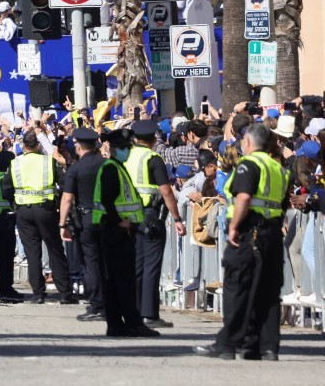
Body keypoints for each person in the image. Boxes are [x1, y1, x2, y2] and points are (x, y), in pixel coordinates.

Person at [194, 123, 290, 360]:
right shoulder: (278, 168)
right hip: (272, 233)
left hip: (250, 232)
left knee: (237, 287)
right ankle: (264, 347)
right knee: (267, 292)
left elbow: (244, 197)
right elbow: (283, 203)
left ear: (248, 143)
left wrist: (235, 226)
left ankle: (227, 343)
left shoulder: (249, 164)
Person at [93, 129, 156, 337]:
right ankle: (131, 323)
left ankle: (117, 324)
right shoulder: (111, 168)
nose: (126, 152)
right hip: (115, 232)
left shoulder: (117, 167)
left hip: (115, 230)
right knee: (123, 281)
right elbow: (107, 200)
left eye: (128, 148)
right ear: (112, 149)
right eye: (122, 148)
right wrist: (120, 222)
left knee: (116, 281)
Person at [125, 119, 185, 328]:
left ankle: (133, 311)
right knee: (151, 265)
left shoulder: (125, 157)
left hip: (129, 217)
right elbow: (166, 191)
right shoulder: (153, 158)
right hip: (150, 216)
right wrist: (177, 218)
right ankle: (149, 314)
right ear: (153, 139)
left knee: (136, 265)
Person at [6, 132, 77, 304]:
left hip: (24, 211)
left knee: (32, 253)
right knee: (55, 250)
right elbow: (65, 182)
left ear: (23, 146)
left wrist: (15, 204)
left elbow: (6, 188)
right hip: (46, 210)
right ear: (37, 145)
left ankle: (38, 294)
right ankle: (65, 293)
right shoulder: (48, 161)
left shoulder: (15, 163)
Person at [59, 128, 107, 322]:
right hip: (108, 219)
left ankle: (97, 305)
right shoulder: (108, 164)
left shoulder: (75, 169)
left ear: (78, 145)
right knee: (106, 262)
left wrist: (62, 224)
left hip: (86, 220)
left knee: (90, 263)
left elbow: (67, 199)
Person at [0, 150, 24, 302]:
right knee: (6, 257)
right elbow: (10, 196)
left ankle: (4, 287)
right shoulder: (5, 178)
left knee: (0, 256)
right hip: (5, 220)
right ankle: (5, 288)